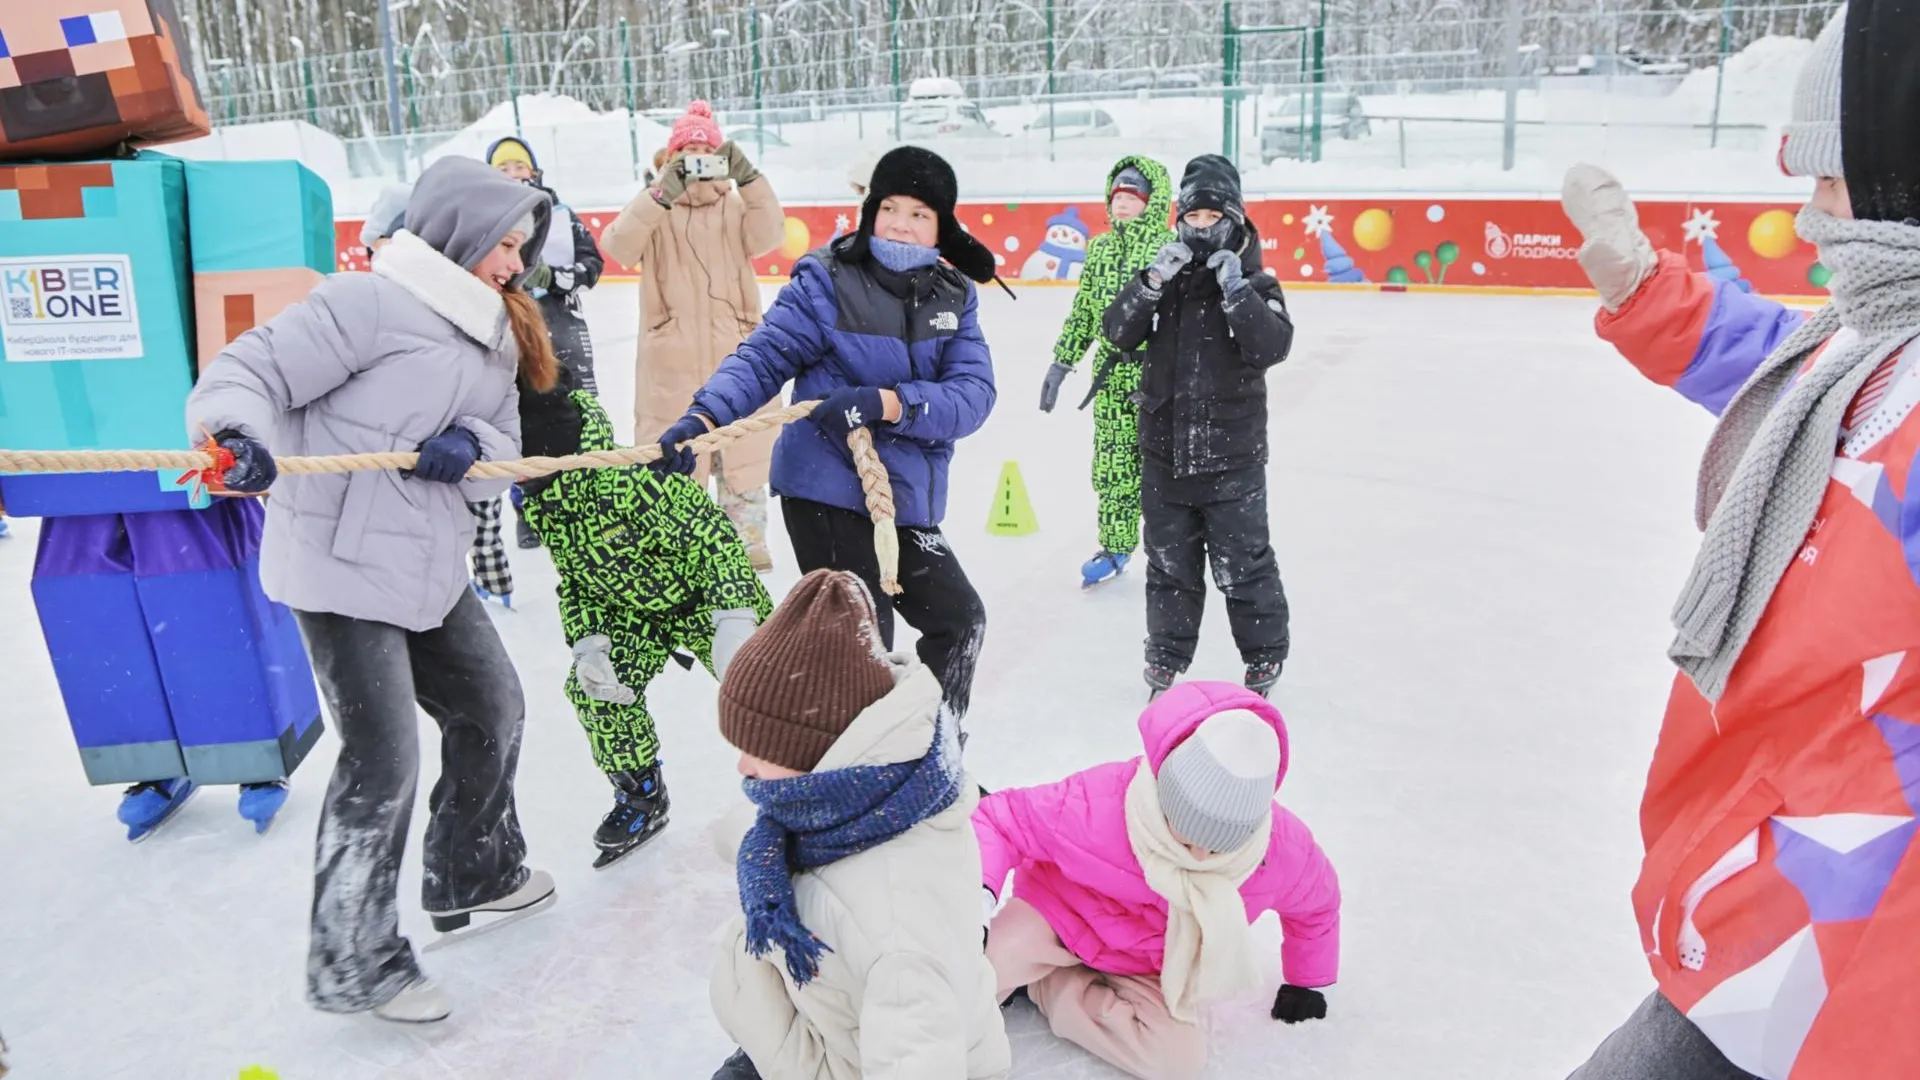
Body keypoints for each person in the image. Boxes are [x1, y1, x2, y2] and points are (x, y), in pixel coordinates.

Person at [1558, 5, 1920, 1077]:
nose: (1810, 216)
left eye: (1833, 177)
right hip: (1771, 878)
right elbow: (1800, 386)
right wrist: (1644, 289)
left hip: (1856, 937)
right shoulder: (1878, 343)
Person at [186, 157, 557, 1024]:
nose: (516, 263)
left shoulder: (492, 332)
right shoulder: (367, 303)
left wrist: (469, 441)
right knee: (381, 755)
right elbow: (250, 371)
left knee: (493, 706)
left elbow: (497, 446)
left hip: (427, 562)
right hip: (338, 564)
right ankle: (354, 961)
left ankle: (475, 870)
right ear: (460, 233)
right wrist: (237, 438)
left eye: (522, 247)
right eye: (505, 243)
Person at [654, 145, 999, 723]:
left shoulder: (953, 295)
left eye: (920, 214)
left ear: (941, 225)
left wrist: (890, 403)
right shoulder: (827, 278)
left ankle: (930, 752)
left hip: (904, 498)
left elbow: (973, 397)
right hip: (826, 485)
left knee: (960, 619)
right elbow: (765, 357)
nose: (901, 224)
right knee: (864, 639)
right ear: (870, 210)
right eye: (891, 207)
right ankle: (854, 770)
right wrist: (705, 419)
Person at [706, 568, 1011, 1080]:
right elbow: (753, 836)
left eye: (757, 750)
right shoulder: (859, 805)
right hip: (838, 1022)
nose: (742, 766)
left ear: (817, 751)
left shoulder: (898, 931)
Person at [973, 682, 1339, 1080]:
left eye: (1219, 847)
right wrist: (979, 894)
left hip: (1152, 963)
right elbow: (1000, 818)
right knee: (968, 982)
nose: (1198, 857)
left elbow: (1318, 904)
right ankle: (1027, 970)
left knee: (1176, 1061)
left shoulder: (1279, 851)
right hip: (1056, 919)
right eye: (1187, 831)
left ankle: (1047, 987)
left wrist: (1308, 982)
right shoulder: (1098, 804)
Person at [515, 365, 772, 868]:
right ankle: (642, 794)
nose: (512, 475)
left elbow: (713, 540)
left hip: (704, 599)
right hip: (632, 614)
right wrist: (589, 641)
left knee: (769, 686)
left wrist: (734, 617)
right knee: (595, 691)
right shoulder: (546, 504)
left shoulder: (629, 481)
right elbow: (578, 579)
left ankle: (807, 779)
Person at [1103, 154, 1295, 699]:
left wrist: (1238, 293)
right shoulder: (1165, 278)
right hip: (1164, 453)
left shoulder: (1257, 280)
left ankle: (1263, 656)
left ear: (1235, 220)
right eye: (1193, 218)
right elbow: (1117, 332)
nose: (1202, 228)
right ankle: (1165, 655)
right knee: (1168, 563)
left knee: (1244, 562)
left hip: (1231, 457)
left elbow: (1273, 346)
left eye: (1214, 218)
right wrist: (1149, 282)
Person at [601, 102, 786, 572]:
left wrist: (751, 179)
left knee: (741, 457)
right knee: (676, 467)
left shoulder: (736, 207)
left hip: (737, 353)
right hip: (672, 362)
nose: (698, 160)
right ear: (669, 158)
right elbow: (620, 246)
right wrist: (660, 193)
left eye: (708, 150)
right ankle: (680, 555)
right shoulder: (654, 207)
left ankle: (745, 548)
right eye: (688, 151)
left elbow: (770, 235)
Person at [1041, 155, 1175, 588]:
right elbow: (1084, 312)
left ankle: (1171, 553)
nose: (1122, 203)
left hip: (1156, 378)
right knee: (1113, 466)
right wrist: (1063, 361)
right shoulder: (1098, 249)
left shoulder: (1169, 249)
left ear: (1152, 203)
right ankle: (1115, 546)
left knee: (1160, 470)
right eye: (1117, 195)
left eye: (1133, 196)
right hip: (1111, 375)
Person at [488, 135, 610, 551]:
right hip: (511, 330)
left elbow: (593, 265)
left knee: (577, 413)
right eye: (502, 169)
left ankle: (588, 496)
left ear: (534, 171)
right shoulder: (485, 216)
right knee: (520, 417)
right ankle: (529, 507)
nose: (512, 175)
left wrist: (556, 277)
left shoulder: (561, 214)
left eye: (518, 167)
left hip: (563, 326)